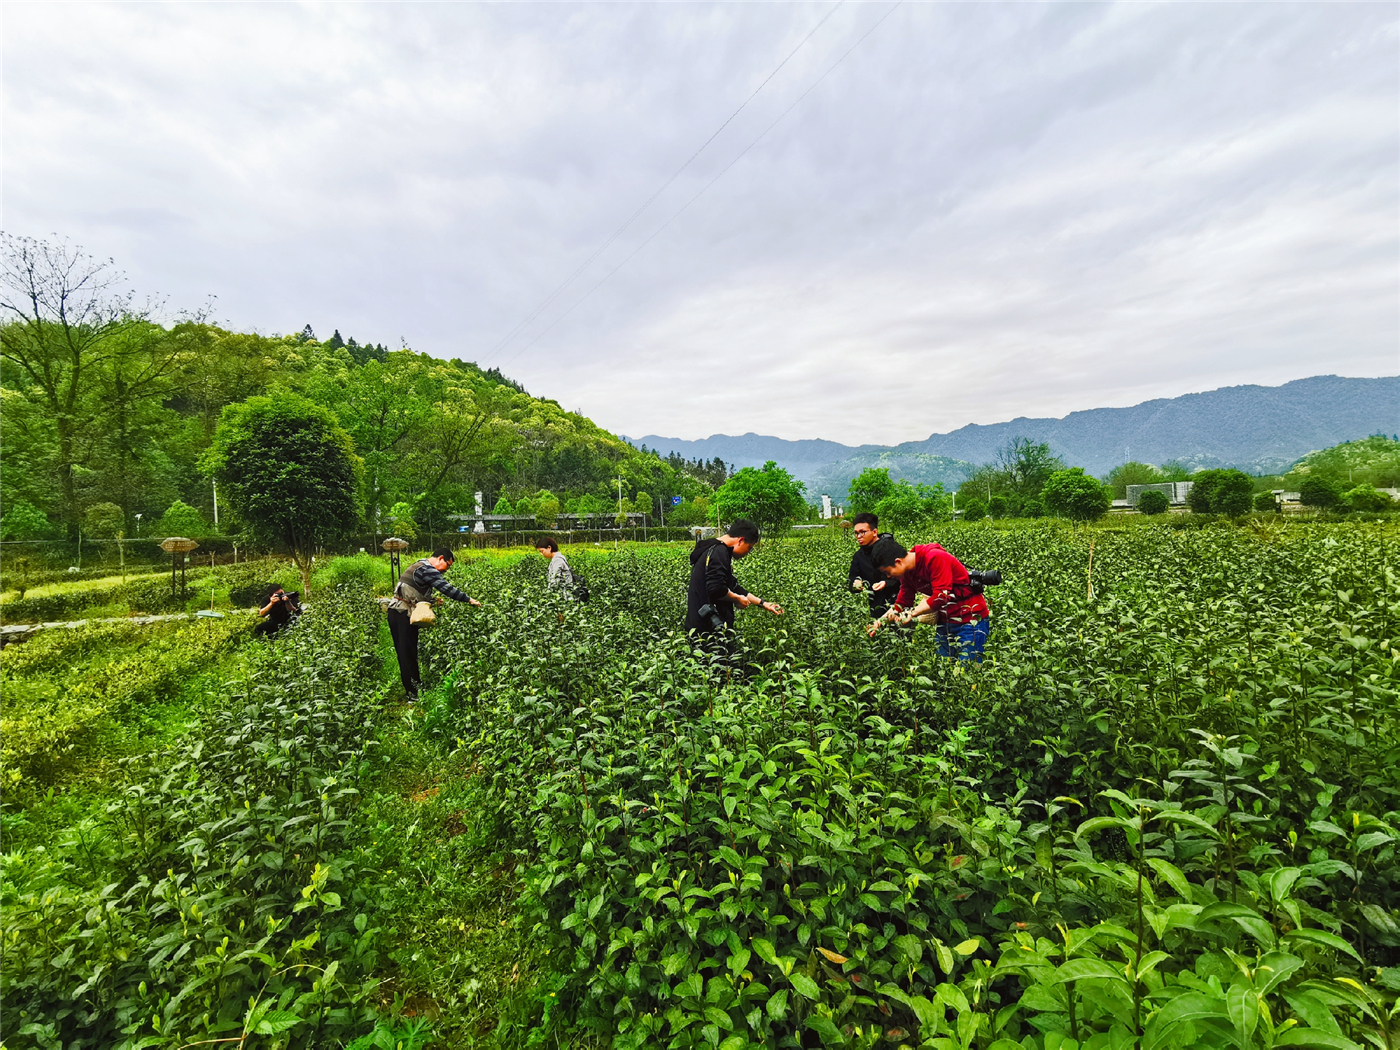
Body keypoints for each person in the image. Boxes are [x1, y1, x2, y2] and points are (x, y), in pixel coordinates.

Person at [867, 538, 991, 661]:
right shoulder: (908, 572)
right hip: (946, 622)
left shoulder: (935, 558)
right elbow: (903, 602)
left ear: (898, 561)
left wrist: (912, 613)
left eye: (887, 572)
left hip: (972, 620)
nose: (888, 576)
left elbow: (941, 597)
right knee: (944, 667)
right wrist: (879, 622)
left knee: (968, 670)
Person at [387, 548, 481, 700]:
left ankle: (414, 688)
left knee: (408, 653)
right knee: (407, 654)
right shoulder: (427, 569)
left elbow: (412, 591)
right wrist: (468, 599)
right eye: (448, 565)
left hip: (398, 613)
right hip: (401, 614)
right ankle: (413, 694)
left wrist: (432, 601)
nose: (447, 570)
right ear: (441, 558)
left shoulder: (420, 566)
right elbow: (446, 588)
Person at [685, 519, 783, 648]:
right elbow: (717, 588)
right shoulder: (719, 552)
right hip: (708, 633)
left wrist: (763, 603)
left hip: (703, 628)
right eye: (749, 548)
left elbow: (733, 587)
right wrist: (737, 599)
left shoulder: (713, 549)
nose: (748, 553)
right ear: (741, 540)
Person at [847, 512, 898, 616]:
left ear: (874, 532)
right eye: (856, 533)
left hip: (898, 604)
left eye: (863, 532)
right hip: (876, 606)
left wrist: (886, 583)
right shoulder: (859, 556)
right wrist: (855, 583)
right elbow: (852, 579)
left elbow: (906, 577)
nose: (859, 536)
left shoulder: (892, 549)